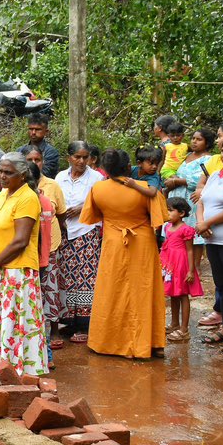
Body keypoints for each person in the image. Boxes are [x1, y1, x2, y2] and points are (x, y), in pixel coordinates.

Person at [81, 149, 167, 359]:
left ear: (106, 169)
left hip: (113, 242)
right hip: (142, 243)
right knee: (143, 290)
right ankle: (150, 342)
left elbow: (92, 216)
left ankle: (106, 341)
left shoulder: (97, 188)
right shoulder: (144, 188)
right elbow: (159, 218)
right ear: (129, 167)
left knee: (111, 289)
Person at [0, 153, 48, 376]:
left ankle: (19, 370)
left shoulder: (27, 198)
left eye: (9, 173)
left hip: (16, 271)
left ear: (23, 175)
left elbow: (21, 241)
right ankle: (1, 367)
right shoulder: (3, 194)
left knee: (16, 322)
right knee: (3, 321)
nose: (3, 176)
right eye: (1, 171)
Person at [54, 141, 102, 341]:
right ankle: (70, 321)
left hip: (87, 230)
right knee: (67, 275)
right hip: (65, 232)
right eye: (77, 157)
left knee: (86, 276)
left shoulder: (96, 178)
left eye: (85, 157)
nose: (81, 161)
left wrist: (83, 207)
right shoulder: (60, 177)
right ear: (69, 158)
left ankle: (84, 325)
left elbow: (102, 201)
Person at [22, 146, 67, 350]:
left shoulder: (52, 187)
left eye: (37, 159)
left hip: (50, 246)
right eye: (30, 159)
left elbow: (62, 215)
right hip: (29, 249)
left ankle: (53, 331)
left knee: (51, 289)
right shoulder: (18, 191)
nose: (34, 163)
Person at [196, 137, 223, 351]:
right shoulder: (215, 176)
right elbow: (201, 201)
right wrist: (201, 223)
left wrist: (208, 223)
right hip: (213, 240)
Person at [166, 128, 214, 284]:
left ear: (207, 142)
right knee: (178, 230)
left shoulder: (208, 160)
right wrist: (172, 178)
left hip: (192, 198)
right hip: (178, 196)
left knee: (193, 231)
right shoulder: (187, 156)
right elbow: (175, 171)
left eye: (199, 139)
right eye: (193, 138)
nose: (194, 141)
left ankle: (196, 266)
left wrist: (177, 181)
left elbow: (201, 179)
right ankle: (179, 263)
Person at [161, 197, 202, 342]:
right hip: (170, 264)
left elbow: (190, 250)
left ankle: (184, 330)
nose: (167, 213)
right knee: (173, 294)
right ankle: (174, 324)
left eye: (170, 210)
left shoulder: (186, 229)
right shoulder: (167, 227)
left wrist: (190, 270)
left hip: (182, 264)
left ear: (181, 213)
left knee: (183, 295)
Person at [21, 114, 59, 178]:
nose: (33, 132)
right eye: (31, 129)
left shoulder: (51, 152)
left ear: (46, 132)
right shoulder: (20, 150)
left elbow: (46, 174)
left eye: (38, 129)